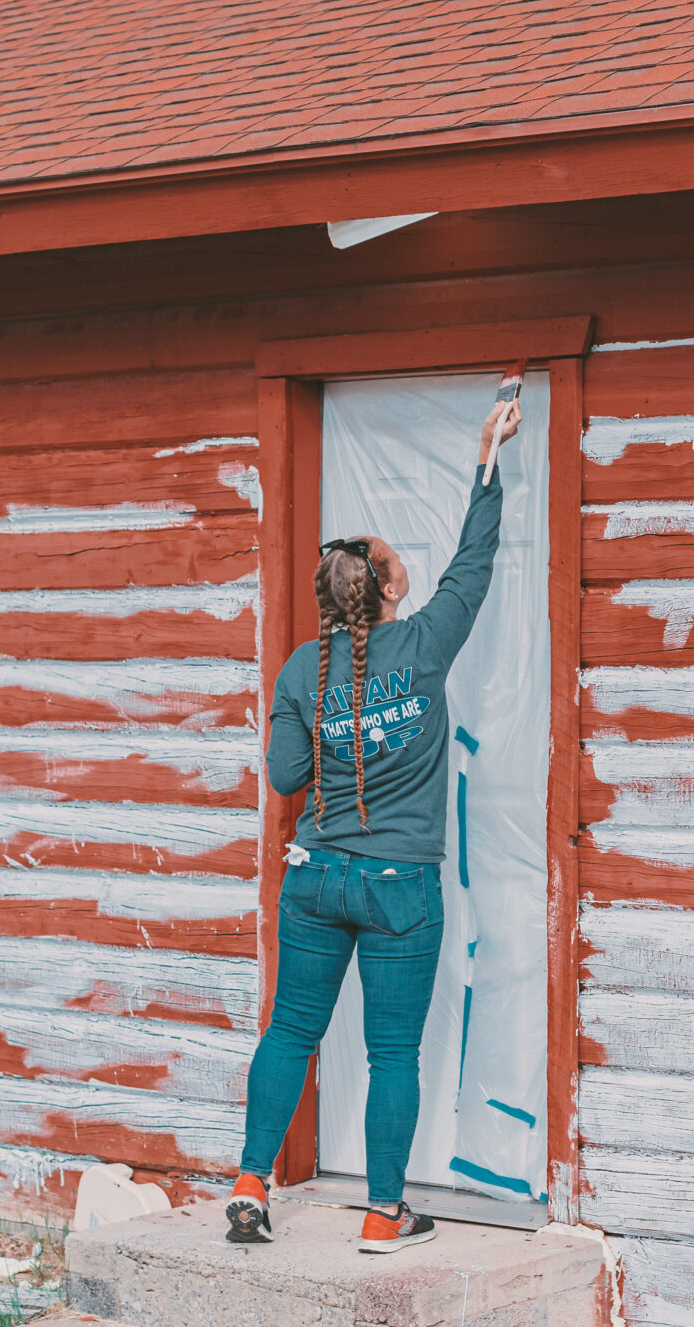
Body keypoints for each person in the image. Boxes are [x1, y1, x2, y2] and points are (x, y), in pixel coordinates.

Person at [224, 391, 523, 1252]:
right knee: (394, 1055)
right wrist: (486, 458)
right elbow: (475, 562)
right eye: (400, 569)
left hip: (315, 877)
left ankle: (250, 1186)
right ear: (391, 591)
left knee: (291, 1031)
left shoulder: (297, 671)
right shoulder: (426, 643)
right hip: (400, 887)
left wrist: (326, 734)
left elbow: (284, 776)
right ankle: (385, 1214)